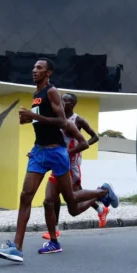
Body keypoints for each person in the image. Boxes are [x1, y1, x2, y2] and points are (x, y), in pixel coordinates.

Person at [0, 59, 118, 262]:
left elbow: (61, 121)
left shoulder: (52, 92)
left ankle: (103, 192)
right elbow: (43, 120)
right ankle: (17, 248)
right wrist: (30, 119)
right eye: (33, 67)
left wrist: (34, 116)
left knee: (71, 200)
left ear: (49, 73)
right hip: (38, 151)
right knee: (26, 197)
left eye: (39, 68)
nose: (34, 70)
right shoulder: (36, 95)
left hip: (56, 152)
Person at [41, 93, 110, 240]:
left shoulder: (77, 120)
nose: (64, 102)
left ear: (73, 104)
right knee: (54, 197)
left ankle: (101, 196)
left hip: (70, 163)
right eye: (62, 99)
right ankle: (56, 229)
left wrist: (73, 150)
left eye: (68, 100)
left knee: (74, 198)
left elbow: (94, 137)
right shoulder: (57, 117)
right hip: (57, 160)